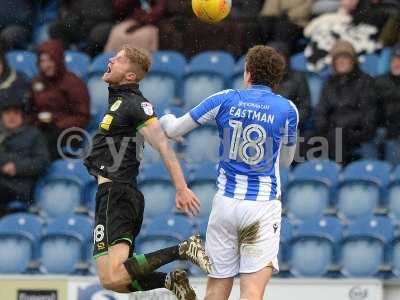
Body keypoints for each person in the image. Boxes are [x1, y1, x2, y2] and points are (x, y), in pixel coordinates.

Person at [160, 45, 298, 299]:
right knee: (252, 289)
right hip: (260, 208)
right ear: (277, 78)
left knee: (216, 289)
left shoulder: (225, 99)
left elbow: (175, 130)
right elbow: (286, 161)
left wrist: (165, 119)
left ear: (247, 73)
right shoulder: (287, 109)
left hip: (224, 206)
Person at [83, 45, 211, 299]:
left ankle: (183, 249)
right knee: (110, 280)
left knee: (117, 273)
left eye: (118, 59)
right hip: (106, 195)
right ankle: (169, 279)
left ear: (130, 76)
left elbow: (162, 144)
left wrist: (181, 187)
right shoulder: (118, 99)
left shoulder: (135, 103)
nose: (110, 60)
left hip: (118, 193)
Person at [314, 40, 377, 164]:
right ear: (333, 62)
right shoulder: (329, 83)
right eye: (338, 58)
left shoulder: (365, 81)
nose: (341, 61)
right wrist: (323, 127)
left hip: (356, 131)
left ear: (353, 60)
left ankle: (336, 175)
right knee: (303, 141)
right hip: (331, 130)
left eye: (345, 57)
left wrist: (346, 126)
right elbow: (321, 110)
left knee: (337, 138)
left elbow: (369, 113)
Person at [31, 40, 90, 159]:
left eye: (50, 60)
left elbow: (82, 116)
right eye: (42, 61)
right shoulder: (36, 82)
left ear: (58, 60)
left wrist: (58, 125)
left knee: (41, 147)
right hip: (40, 128)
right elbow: (29, 109)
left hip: (66, 132)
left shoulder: (73, 83)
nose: (46, 65)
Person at [0, 92, 49, 216]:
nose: (11, 117)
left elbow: (42, 161)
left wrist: (17, 167)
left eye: (15, 113)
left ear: (22, 116)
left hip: (20, 185)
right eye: (7, 113)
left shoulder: (33, 135)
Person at [376, 43, 400, 164]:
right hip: (382, 128)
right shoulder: (379, 82)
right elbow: (372, 109)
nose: (397, 63)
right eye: (395, 59)